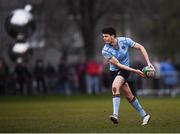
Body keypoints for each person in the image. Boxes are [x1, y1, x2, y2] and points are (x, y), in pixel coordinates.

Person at [101, 27, 155, 125]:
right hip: (114, 71)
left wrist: (148, 62)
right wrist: (135, 71)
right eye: (103, 36)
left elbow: (141, 47)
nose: (104, 38)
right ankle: (145, 115)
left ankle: (115, 115)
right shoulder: (105, 50)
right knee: (129, 96)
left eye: (106, 36)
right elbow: (117, 65)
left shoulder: (125, 40)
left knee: (115, 87)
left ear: (113, 36)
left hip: (125, 70)